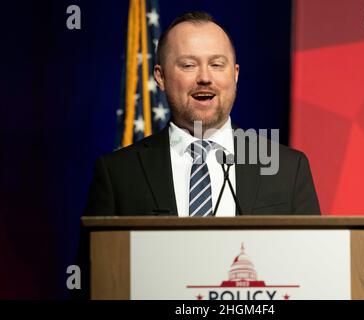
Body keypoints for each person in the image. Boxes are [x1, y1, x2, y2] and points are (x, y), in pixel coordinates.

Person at [84, 11, 320, 216]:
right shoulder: (117, 173)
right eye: (188, 65)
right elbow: (99, 265)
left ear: (235, 75)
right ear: (160, 77)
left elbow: (311, 262)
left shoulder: (289, 168)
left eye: (217, 64)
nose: (205, 77)